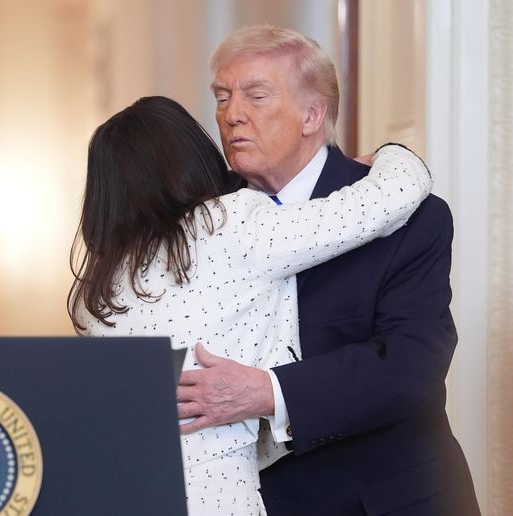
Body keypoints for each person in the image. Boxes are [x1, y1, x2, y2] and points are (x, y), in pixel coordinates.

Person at [68, 95, 432, 515]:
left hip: (123, 491)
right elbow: (390, 199)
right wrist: (392, 153)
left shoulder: (93, 294)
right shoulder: (230, 224)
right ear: (191, 155)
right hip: (218, 497)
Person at [176, 25, 481, 515]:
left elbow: (409, 368)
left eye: (256, 95)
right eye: (222, 96)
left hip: (385, 501)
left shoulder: (407, 215)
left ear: (312, 115)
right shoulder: (195, 221)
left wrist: (266, 392)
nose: (232, 115)